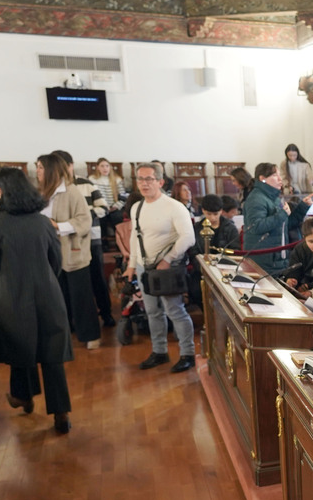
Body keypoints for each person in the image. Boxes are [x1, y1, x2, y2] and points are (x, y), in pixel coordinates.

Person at [0, 168, 74, 433]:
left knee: (20, 347)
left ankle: (24, 397)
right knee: (51, 354)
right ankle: (61, 414)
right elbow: (55, 262)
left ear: (1, 191)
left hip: (11, 297)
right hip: (48, 295)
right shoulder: (42, 221)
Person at [123, 162, 196, 373]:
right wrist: (131, 265)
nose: (144, 184)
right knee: (152, 312)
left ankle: (187, 353)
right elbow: (136, 239)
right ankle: (160, 351)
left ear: (160, 182)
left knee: (175, 310)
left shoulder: (174, 207)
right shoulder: (137, 207)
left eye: (149, 179)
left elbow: (188, 238)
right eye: (140, 179)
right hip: (143, 267)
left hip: (167, 268)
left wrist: (168, 259)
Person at [37, 153, 100, 350]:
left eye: (40, 167)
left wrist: (58, 226)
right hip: (49, 253)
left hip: (72, 252)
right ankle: (65, 333)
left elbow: (84, 221)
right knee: (57, 297)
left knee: (80, 296)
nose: (37, 171)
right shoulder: (41, 194)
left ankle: (90, 335)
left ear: (51, 170)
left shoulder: (72, 192)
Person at [54, 150, 114, 329]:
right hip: (65, 241)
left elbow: (103, 208)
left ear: (70, 166)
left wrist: (83, 218)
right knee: (69, 282)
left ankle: (106, 313)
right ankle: (72, 319)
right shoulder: (55, 188)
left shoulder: (86, 184)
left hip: (91, 237)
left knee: (97, 277)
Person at [242, 162, 312, 272]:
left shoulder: (274, 198)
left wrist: (303, 207)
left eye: (279, 175)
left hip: (277, 258)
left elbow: (285, 224)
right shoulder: (256, 198)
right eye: (275, 175)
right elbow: (256, 226)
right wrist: (282, 214)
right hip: (263, 259)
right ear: (262, 178)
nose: (280, 179)